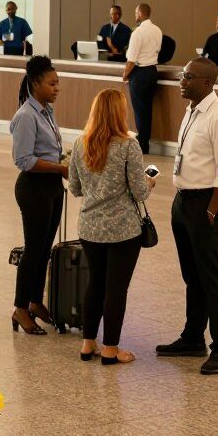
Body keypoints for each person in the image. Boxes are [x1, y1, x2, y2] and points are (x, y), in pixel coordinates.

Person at [156, 58, 218, 376]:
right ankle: (193, 338)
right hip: (184, 201)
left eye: (188, 77)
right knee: (192, 276)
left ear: (207, 82)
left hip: (207, 203)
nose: (181, 81)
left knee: (212, 276)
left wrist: (209, 212)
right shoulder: (193, 109)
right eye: (182, 75)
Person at [69, 88, 154, 365]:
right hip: (123, 230)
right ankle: (110, 349)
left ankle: (87, 343)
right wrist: (149, 181)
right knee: (116, 289)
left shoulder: (81, 143)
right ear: (120, 112)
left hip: (90, 228)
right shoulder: (129, 145)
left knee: (95, 283)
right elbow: (139, 192)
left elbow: (75, 187)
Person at [9, 56, 66, 336]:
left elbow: (50, 149)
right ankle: (20, 308)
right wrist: (60, 167)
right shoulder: (25, 116)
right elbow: (24, 160)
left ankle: (34, 301)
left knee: (45, 250)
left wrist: (64, 162)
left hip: (53, 186)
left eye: (58, 83)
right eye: (52, 83)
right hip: (33, 188)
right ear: (35, 84)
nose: (57, 88)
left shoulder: (47, 111)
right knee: (33, 250)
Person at [122, 3, 163, 155]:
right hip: (152, 71)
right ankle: (145, 143)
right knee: (147, 110)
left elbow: (131, 59)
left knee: (140, 111)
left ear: (140, 13)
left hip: (139, 73)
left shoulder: (138, 32)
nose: (135, 16)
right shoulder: (157, 30)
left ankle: (142, 145)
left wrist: (125, 75)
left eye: (135, 13)